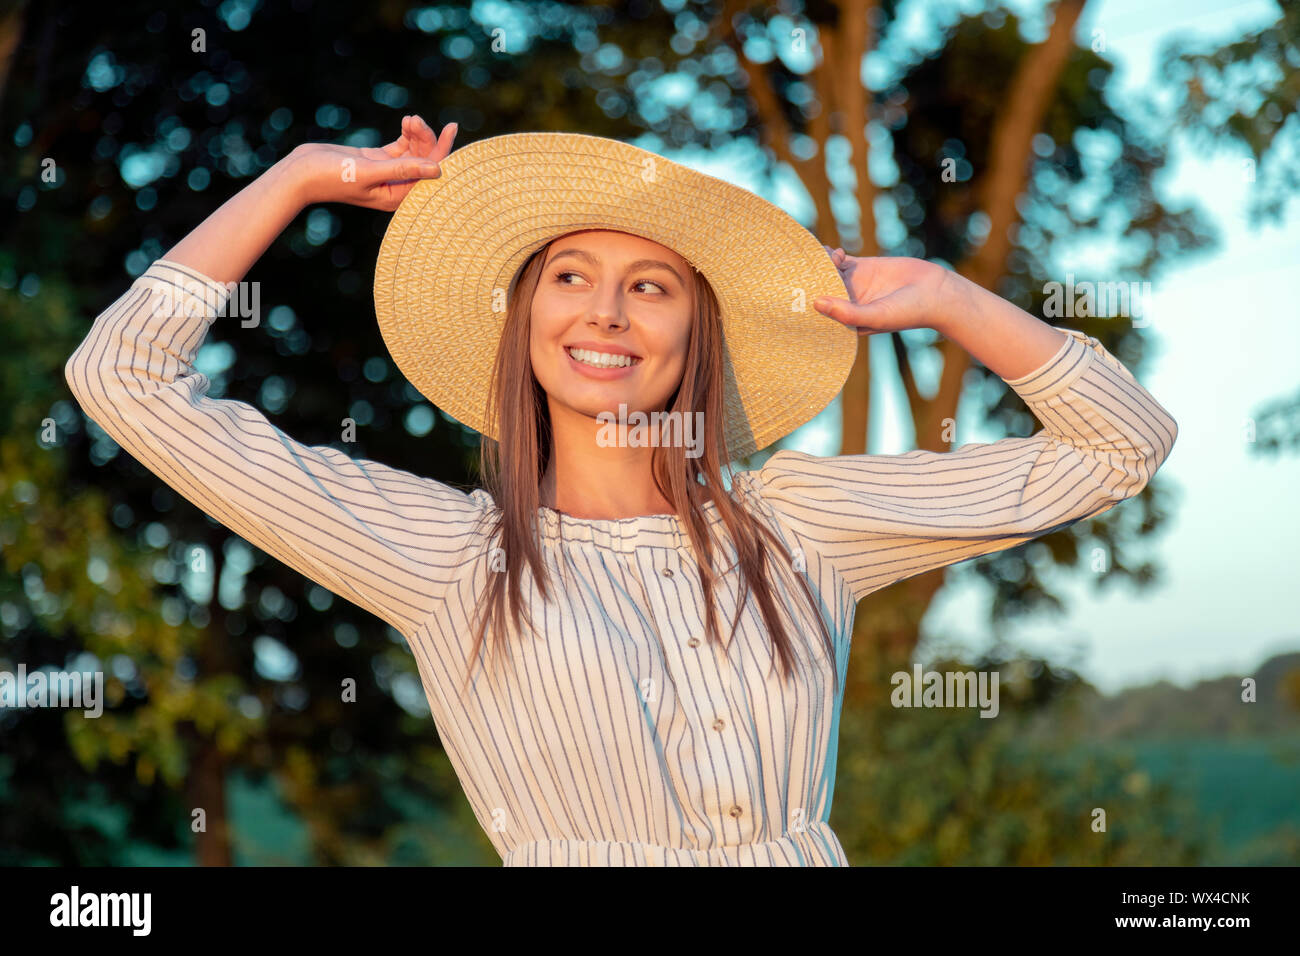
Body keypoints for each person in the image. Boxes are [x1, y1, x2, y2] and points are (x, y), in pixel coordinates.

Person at [64, 116, 1178, 866]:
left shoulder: (795, 524)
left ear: (696, 331)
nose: (605, 313)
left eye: (648, 286)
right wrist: (301, 174)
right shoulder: (450, 556)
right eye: (569, 278)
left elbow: (1117, 447)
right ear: (525, 321)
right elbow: (121, 378)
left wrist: (947, 297)